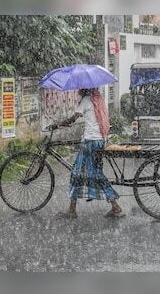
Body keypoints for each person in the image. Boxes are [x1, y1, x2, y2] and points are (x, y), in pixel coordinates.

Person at [50, 88, 123, 219]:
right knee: (95, 174)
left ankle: (73, 210)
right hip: (99, 141)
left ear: (84, 89)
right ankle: (113, 205)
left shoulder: (86, 100)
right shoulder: (98, 99)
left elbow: (74, 118)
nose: (78, 91)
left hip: (90, 142)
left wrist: (58, 124)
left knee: (77, 173)